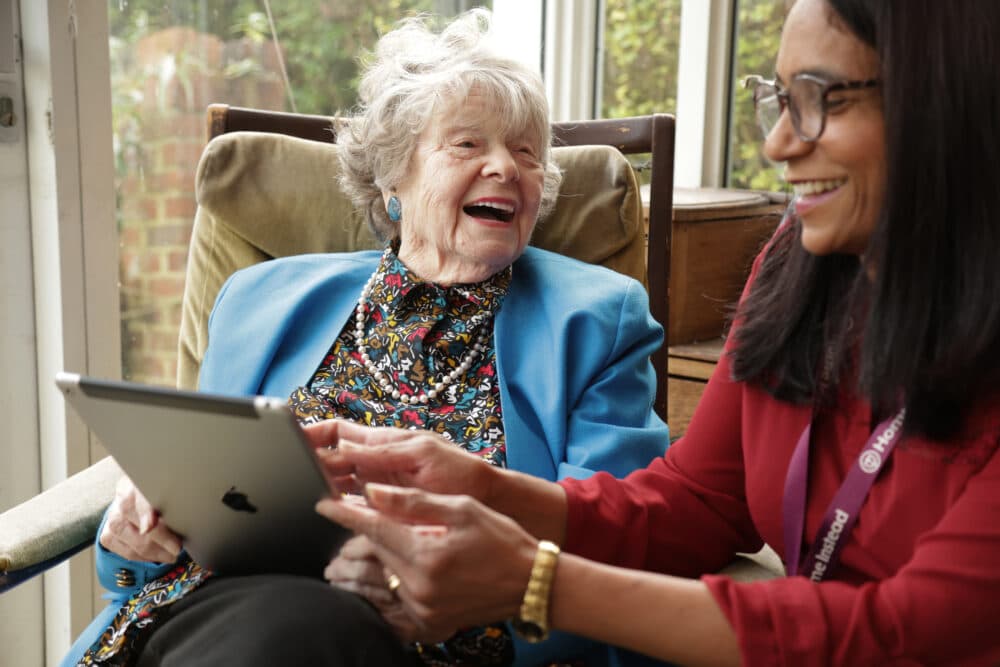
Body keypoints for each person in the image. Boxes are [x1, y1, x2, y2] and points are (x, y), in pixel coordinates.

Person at [314, 0, 1000, 665]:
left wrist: (537, 582)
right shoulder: (799, 267)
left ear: (941, 97)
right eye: (780, 99)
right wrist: (486, 489)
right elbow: (698, 502)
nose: (778, 143)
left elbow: (907, 634)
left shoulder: (601, 311)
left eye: (822, 98)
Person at [62, 9, 670, 667]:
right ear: (393, 177)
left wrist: (441, 590)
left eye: (526, 152)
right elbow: (198, 513)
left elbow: (614, 551)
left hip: (421, 641)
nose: (506, 167)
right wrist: (131, 532)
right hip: (209, 620)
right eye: (468, 144)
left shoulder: (598, 319)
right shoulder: (259, 300)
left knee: (308, 627)